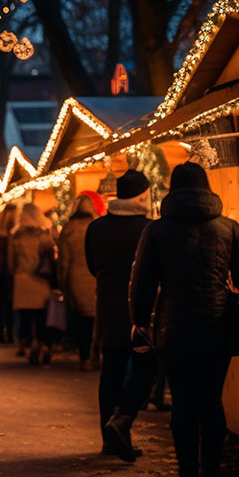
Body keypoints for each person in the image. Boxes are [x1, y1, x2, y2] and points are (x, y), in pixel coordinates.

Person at [129, 162, 239, 477]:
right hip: (218, 326)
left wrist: (139, 321)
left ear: (172, 190)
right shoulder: (229, 227)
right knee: (212, 401)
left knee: (184, 403)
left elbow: (142, 284)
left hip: (175, 326)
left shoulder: (157, 231)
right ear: (207, 187)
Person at [85, 170, 155, 460]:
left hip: (108, 306)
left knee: (111, 371)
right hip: (142, 306)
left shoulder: (97, 227)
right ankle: (122, 424)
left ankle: (109, 439)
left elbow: (92, 266)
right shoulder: (150, 228)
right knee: (145, 367)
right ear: (142, 195)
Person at [8, 203, 55, 365]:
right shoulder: (44, 235)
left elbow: (10, 262)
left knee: (24, 316)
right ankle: (40, 343)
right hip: (40, 279)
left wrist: (16, 272)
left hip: (22, 279)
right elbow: (50, 257)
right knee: (41, 315)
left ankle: (23, 343)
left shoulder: (15, 236)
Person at [57, 194, 100, 371]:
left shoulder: (68, 230)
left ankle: (85, 357)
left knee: (83, 320)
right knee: (98, 318)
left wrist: (63, 284)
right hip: (97, 277)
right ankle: (96, 354)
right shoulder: (97, 226)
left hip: (76, 277)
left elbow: (64, 261)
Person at [0, 204, 19, 346]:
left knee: (0, 306)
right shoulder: (16, 234)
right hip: (11, 274)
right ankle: (10, 334)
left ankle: (1, 335)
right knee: (10, 305)